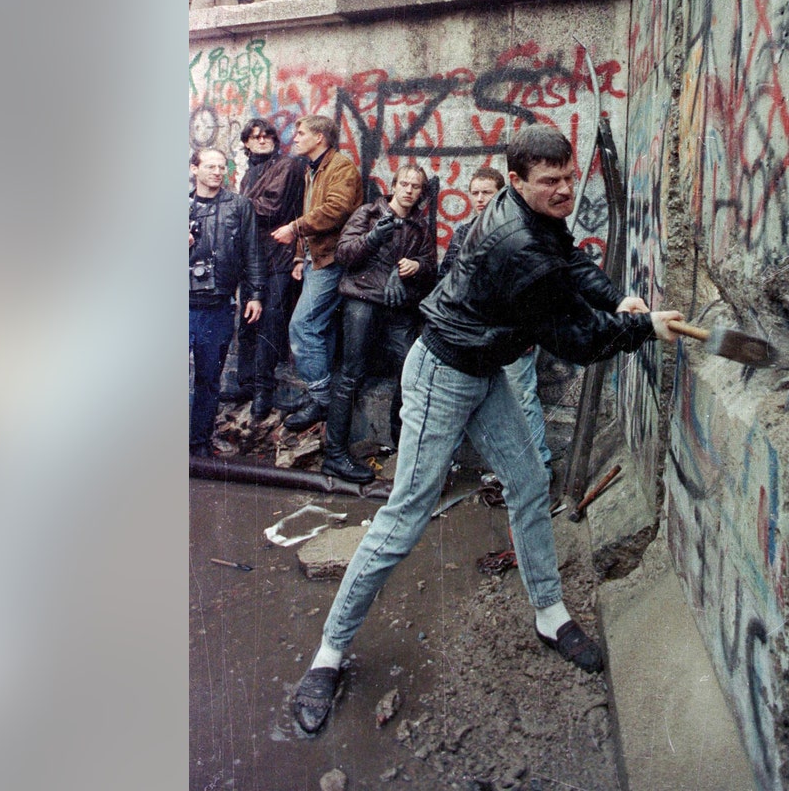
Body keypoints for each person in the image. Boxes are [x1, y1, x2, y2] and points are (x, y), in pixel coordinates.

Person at [288, 125, 684, 735]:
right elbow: (574, 340)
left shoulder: (533, 214)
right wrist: (643, 329)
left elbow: (569, 262)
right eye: (549, 181)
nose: (564, 190)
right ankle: (328, 653)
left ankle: (550, 613)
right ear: (519, 181)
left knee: (528, 484)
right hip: (444, 373)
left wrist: (617, 299)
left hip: (483, 366)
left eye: (568, 176)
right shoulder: (514, 242)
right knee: (403, 520)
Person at [318, 164, 438, 483]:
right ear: (394, 186)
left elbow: (430, 266)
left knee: (410, 370)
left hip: (397, 307)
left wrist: (415, 268)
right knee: (351, 373)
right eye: (405, 184)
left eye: (416, 187)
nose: (410, 191)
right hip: (362, 300)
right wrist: (372, 239)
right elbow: (343, 255)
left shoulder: (419, 227)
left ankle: (403, 450)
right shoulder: (369, 214)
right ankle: (335, 456)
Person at [441, 167, 551, 467]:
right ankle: (441, 468)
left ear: (502, 194)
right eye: (474, 192)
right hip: (471, 332)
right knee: (457, 397)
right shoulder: (464, 232)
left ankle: (539, 466)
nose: (479, 199)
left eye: (486, 192)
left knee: (521, 398)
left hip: (510, 333)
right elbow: (445, 278)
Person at [271, 115, 363, 430]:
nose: (295, 138)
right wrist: (300, 258)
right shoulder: (315, 168)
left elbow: (336, 209)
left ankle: (321, 400)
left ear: (320, 137)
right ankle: (318, 396)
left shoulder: (341, 168)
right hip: (315, 259)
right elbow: (312, 211)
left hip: (331, 260)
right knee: (319, 329)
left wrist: (294, 229)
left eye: (301, 133)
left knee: (303, 326)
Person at [221, 118, 308, 422]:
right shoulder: (249, 173)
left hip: (278, 257)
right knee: (247, 323)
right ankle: (246, 384)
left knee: (270, 325)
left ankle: (263, 391)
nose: (262, 140)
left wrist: (237, 205)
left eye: (267, 136)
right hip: (250, 258)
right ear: (245, 143)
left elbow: (272, 207)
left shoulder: (287, 166)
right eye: (255, 137)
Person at [189, 148, 264, 457]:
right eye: (209, 166)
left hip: (217, 306)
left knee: (209, 379)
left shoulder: (239, 206)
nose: (217, 172)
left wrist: (255, 294)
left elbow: (252, 253)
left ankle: (198, 443)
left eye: (221, 167)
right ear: (194, 169)